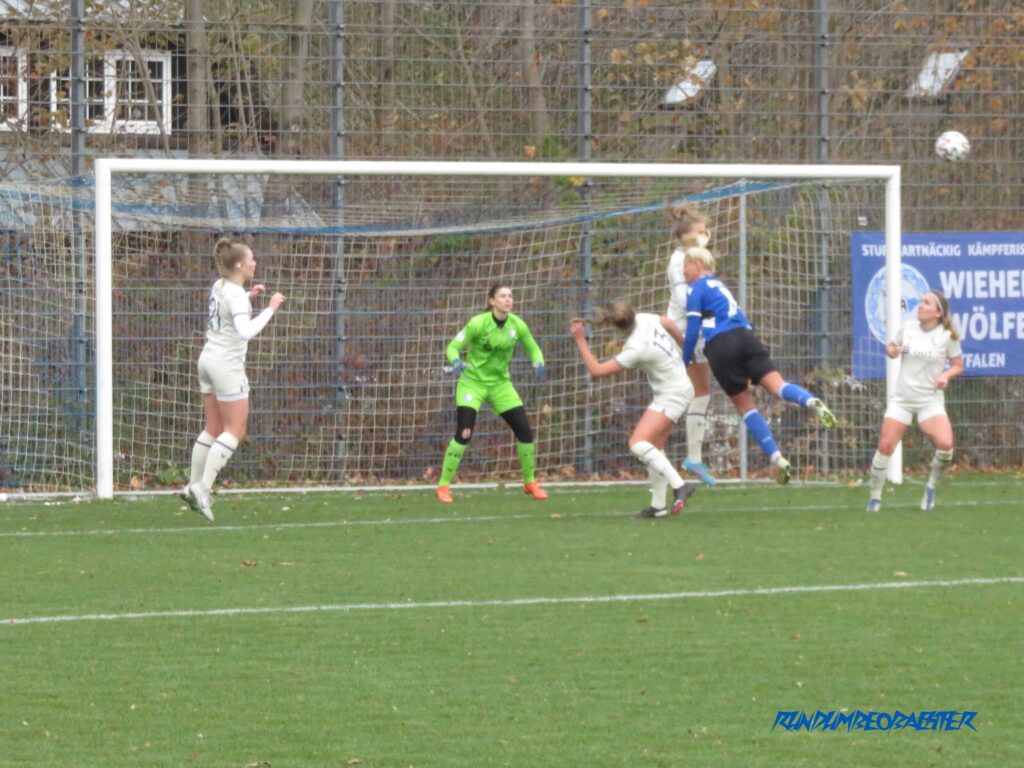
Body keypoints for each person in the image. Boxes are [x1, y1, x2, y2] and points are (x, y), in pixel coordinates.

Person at [682, 245, 835, 484]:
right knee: (778, 386)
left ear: (698, 265)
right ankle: (810, 400)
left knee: (746, 406)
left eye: (686, 265)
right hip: (746, 336)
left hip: (721, 346)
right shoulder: (720, 286)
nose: (683, 270)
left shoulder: (696, 289)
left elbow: (692, 330)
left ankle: (777, 458)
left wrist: (685, 358)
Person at [182, 237, 286, 521]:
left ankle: (192, 484)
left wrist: (250, 297)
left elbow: (229, 313)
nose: (255, 263)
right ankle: (203, 488)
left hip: (207, 360)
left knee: (213, 426)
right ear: (241, 265)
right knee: (235, 430)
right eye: (251, 259)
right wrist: (270, 308)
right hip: (226, 366)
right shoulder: (236, 295)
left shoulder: (222, 285)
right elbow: (246, 331)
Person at [570, 301, 697, 518]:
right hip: (678, 387)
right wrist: (685, 347)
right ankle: (658, 507)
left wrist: (581, 341)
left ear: (617, 326)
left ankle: (679, 485)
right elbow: (670, 324)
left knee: (638, 443)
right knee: (655, 447)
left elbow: (597, 371)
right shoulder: (646, 317)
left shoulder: (635, 349)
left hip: (673, 394)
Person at [436, 284, 548, 503]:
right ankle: (443, 486)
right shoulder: (478, 323)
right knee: (465, 433)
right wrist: (456, 361)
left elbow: (533, 347)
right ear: (492, 301)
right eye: (503, 296)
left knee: (524, 431)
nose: (508, 300)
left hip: (500, 385)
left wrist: (538, 361)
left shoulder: (517, 325)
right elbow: (452, 347)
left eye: (510, 296)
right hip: (473, 384)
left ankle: (529, 482)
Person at [866, 290, 963, 512]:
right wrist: (893, 351)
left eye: (926, 303)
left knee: (946, 446)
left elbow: (958, 365)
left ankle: (930, 487)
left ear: (938, 312)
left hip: (930, 401)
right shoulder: (908, 328)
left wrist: (945, 376)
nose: (920, 306)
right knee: (886, 446)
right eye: (920, 302)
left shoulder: (947, 336)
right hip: (902, 399)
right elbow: (890, 348)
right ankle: (874, 498)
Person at [665, 203, 717, 486]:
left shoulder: (696, 256)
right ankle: (653, 447)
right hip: (681, 333)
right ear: (686, 234)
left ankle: (693, 458)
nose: (706, 233)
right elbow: (686, 301)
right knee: (674, 394)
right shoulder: (678, 262)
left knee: (702, 391)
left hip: (697, 333)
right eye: (701, 230)